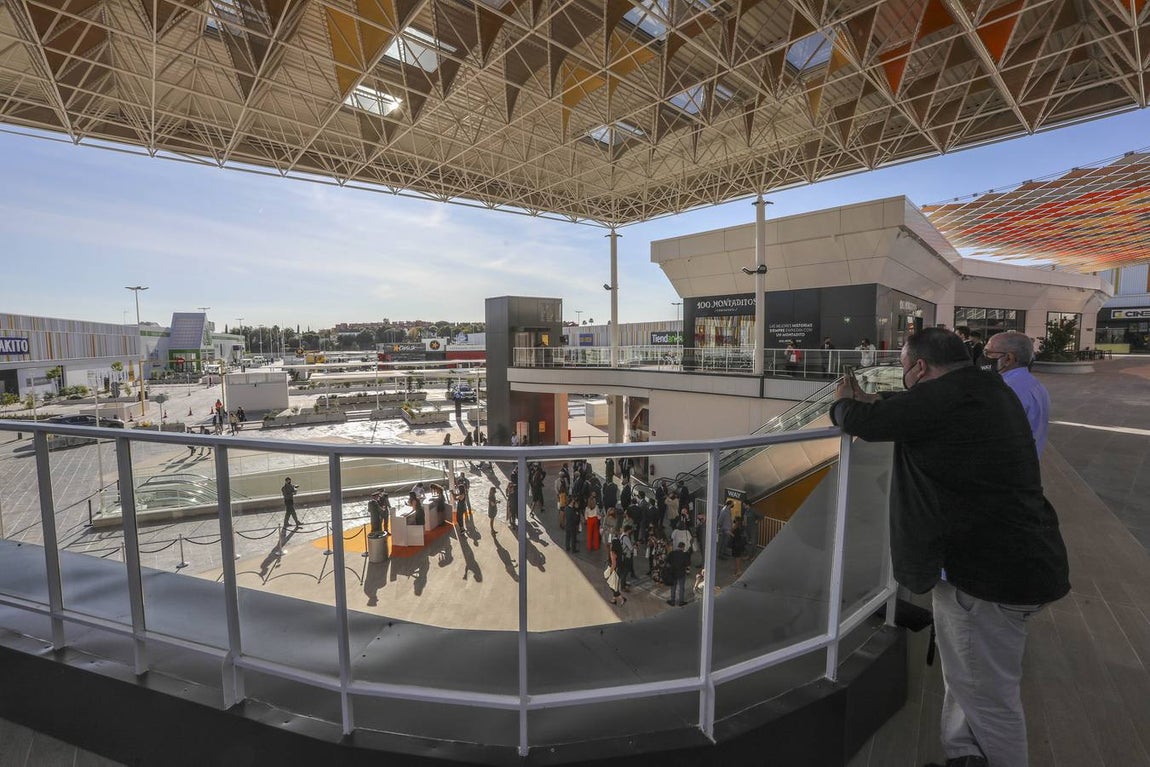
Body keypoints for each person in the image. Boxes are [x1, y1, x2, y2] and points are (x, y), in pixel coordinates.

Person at [829, 327, 1070, 767]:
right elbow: (912, 411)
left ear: (920, 368)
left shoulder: (949, 398)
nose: (904, 378)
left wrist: (844, 400)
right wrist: (877, 401)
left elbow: (865, 423)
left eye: (904, 369)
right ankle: (964, 757)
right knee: (969, 681)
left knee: (990, 699)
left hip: (986, 575)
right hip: (1009, 563)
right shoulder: (981, 389)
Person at [984, 331, 1050, 455]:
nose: (985, 358)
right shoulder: (1035, 384)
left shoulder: (1006, 389)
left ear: (1009, 358)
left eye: (989, 353)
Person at [667, 541, 690, 606]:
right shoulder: (685, 555)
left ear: (678, 546)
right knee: (681, 587)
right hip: (681, 573)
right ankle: (681, 601)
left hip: (673, 573)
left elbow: (668, 562)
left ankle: (672, 601)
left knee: (673, 587)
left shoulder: (672, 553)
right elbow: (688, 565)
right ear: (683, 547)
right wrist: (687, 572)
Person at [605, 538, 625, 606]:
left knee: (612, 586)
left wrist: (610, 573)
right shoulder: (619, 551)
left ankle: (622, 598)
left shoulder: (612, 552)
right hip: (620, 569)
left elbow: (613, 564)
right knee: (614, 585)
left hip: (615, 570)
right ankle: (614, 599)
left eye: (611, 543)